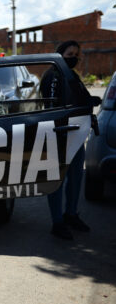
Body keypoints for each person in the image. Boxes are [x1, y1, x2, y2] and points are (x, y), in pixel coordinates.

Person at [41, 40, 92, 240]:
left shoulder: (72, 76)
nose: (74, 58)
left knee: (76, 179)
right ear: (60, 54)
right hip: (59, 135)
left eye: (76, 54)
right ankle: (57, 222)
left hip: (77, 134)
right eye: (70, 54)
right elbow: (52, 107)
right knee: (57, 180)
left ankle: (71, 214)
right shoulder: (53, 75)